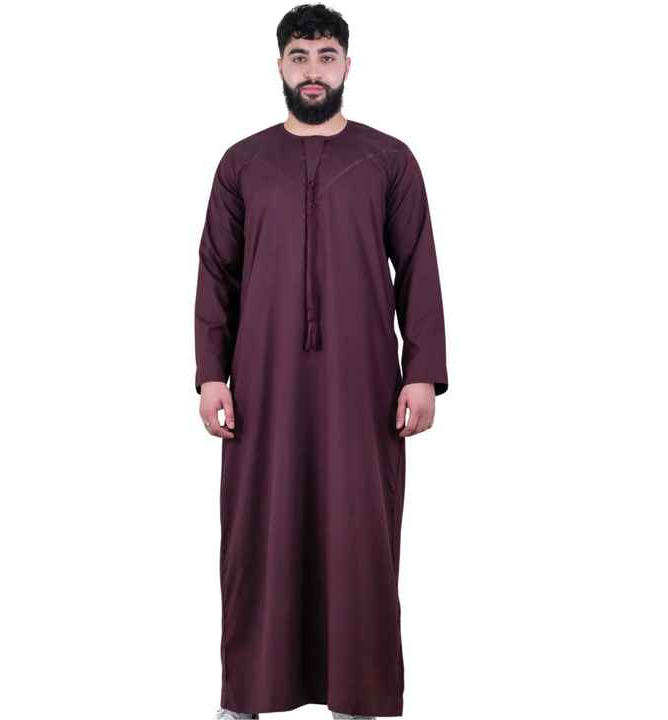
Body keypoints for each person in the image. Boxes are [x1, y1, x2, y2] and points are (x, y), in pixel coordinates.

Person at [194, 4, 448, 719]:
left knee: (359, 531)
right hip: (262, 385)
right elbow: (217, 272)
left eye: (326, 56)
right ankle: (247, 697)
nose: (313, 70)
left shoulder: (389, 159)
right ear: (280, 66)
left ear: (347, 66)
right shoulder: (243, 163)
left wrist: (421, 372)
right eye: (300, 56)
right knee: (258, 529)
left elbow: (418, 267)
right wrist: (211, 373)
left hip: (362, 385)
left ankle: (357, 699)